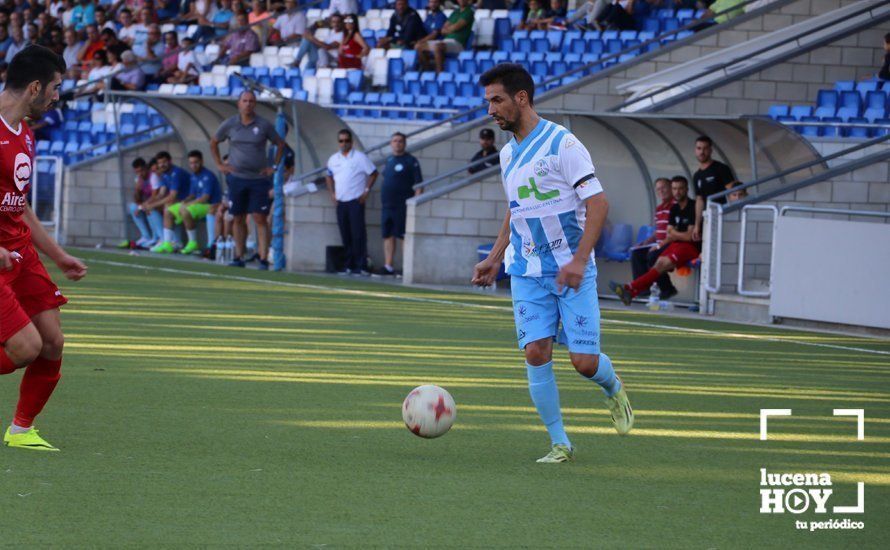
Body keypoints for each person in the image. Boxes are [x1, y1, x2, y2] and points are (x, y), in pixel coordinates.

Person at [471, 64, 633, 464]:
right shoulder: (508, 154)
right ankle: (560, 442)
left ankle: (613, 388)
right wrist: (494, 258)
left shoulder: (564, 145)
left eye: (497, 100)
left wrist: (579, 261)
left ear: (521, 98)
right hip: (526, 270)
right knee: (536, 353)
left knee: (584, 363)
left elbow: (598, 203)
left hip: (570, 269)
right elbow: (516, 210)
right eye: (488, 101)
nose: (490, 110)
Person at [0, 45, 88, 452]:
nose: (56, 96)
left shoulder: (26, 134)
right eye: (54, 87)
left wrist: (57, 255)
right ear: (34, 87)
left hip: (21, 254)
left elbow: (21, 205)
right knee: (25, 348)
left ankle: (21, 430)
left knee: (52, 341)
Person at [210, 90, 285, 269]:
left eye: (251, 101)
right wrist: (220, 164)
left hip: (258, 179)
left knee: (259, 218)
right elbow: (214, 142)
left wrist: (273, 167)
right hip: (237, 178)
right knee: (238, 217)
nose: (248, 104)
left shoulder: (263, 125)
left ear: (255, 104)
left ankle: (263, 258)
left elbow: (280, 144)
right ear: (239, 103)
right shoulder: (230, 124)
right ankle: (238, 256)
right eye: (245, 101)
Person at [610, 176, 699, 305]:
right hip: (673, 244)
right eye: (675, 189)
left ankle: (630, 288)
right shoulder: (674, 209)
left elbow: (688, 236)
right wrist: (668, 237)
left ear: (686, 189)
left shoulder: (692, 206)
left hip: (687, 246)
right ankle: (632, 291)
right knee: (655, 262)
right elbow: (670, 232)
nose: (677, 192)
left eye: (680, 188)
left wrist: (673, 235)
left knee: (657, 261)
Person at [325, 128, 377, 276]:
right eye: (341, 141)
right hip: (341, 202)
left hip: (355, 201)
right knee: (345, 234)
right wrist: (332, 193)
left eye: (347, 140)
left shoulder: (360, 157)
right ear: (338, 142)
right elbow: (328, 176)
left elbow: (373, 173)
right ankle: (348, 265)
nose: (344, 143)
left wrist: (366, 191)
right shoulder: (333, 159)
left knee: (358, 234)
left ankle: (361, 266)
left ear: (352, 142)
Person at [376, 132, 422, 276]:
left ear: (405, 143)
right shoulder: (389, 160)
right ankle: (388, 265)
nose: (397, 143)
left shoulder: (411, 160)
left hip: (402, 206)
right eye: (394, 141)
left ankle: (405, 267)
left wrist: (414, 204)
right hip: (387, 205)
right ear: (391, 144)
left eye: (400, 141)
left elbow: (419, 185)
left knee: (402, 236)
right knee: (388, 235)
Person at [629, 177, 676, 298]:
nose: (661, 191)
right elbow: (657, 232)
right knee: (637, 253)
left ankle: (667, 289)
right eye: (658, 189)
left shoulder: (676, 206)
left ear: (671, 188)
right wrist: (645, 242)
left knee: (653, 256)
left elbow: (674, 233)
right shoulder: (659, 209)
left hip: (672, 244)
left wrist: (658, 245)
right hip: (660, 244)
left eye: (664, 188)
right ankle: (643, 289)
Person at [691, 135, 734, 242]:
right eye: (699, 148)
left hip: (722, 216)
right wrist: (697, 225)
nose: (702, 152)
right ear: (695, 150)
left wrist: (732, 215)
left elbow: (733, 192)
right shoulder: (697, 175)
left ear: (711, 150)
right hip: (708, 218)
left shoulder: (721, 168)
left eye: (705, 148)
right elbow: (699, 200)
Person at [178, 150, 222, 255]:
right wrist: (184, 201)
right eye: (191, 163)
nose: (193, 165)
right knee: (169, 210)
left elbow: (205, 198)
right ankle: (170, 242)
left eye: (196, 162)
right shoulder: (193, 176)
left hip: (209, 205)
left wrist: (188, 205)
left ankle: (193, 243)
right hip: (197, 204)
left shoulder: (208, 176)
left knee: (185, 211)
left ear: (202, 161)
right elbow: (193, 194)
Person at [147, 150, 191, 253]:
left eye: (164, 162)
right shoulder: (164, 174)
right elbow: (162, 193)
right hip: (180, 201)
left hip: (189, 200)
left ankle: (174, 241)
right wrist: (149, 203)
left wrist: (153, 204)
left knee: (168, 206)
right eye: (160, 163)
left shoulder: (176, 173)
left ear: (170, 161)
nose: (162, 165)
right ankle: (166, 241)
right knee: (158, 206)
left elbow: (172, 196)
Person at [419, 0, 473, 73]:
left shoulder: (469, 12)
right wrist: (450, 29)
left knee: (438, 47)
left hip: (458, 43)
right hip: (446, 42)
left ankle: (439, 74)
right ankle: (428, 71)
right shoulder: (455, 12)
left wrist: (449, 29)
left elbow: (456, 27)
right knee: (419, 47)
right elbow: (443, 29)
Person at [126, 157, 160, 248]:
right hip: (146, 203)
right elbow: (137, 199)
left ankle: (157, 238)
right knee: (133, 207)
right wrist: (137, 189)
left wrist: (142, 206)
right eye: (137, 172)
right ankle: (146, 236)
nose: (140, 174)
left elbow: (155, 196)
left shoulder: (153, 176)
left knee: (148, 207)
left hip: (156, 202)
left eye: (141, 171)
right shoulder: (138, 179)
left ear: (146, 168)